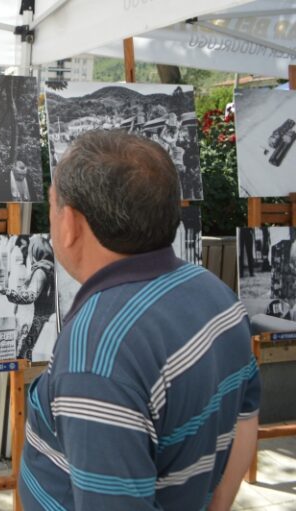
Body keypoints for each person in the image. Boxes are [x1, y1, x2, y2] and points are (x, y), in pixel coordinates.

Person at [19, 130, 260, 511]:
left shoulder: (96, 352)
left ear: (70, 224)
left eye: (52, 205)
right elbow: (244, 419)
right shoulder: (216, 295)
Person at [0, 236, 55, 360]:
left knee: (26, 360)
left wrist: (6, 291)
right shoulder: (54, 269)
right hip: (52, 323)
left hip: (39, 325)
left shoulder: (41, 271)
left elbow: (30, 296)